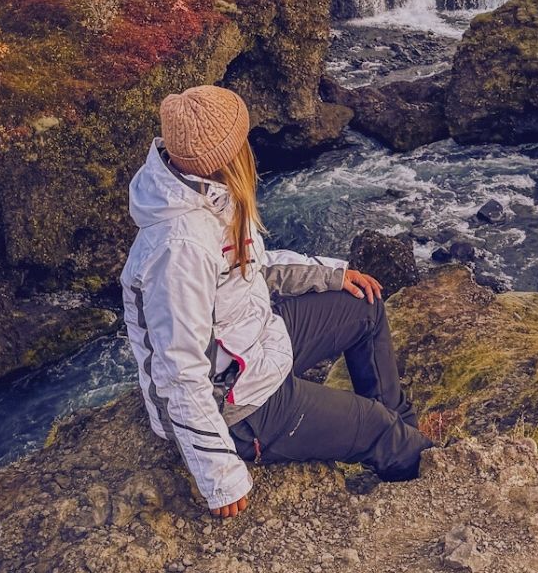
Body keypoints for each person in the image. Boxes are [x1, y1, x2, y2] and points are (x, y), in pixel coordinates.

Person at [121, 85, 432, 519]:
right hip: (238, 404)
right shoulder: (179, 248)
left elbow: (255, 265)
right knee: (376, 430)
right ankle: (423, 467)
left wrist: (332, 274)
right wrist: (219, 476)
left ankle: (405, 438)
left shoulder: (206, 192)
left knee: (364, 304)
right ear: (230, 152)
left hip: (251, 338)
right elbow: (178, 372)